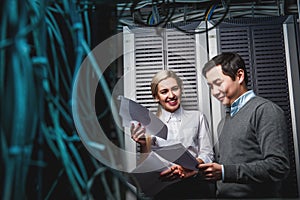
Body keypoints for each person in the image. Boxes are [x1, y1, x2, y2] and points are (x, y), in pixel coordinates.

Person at [199, 52, 290, 198]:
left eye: (218, 83)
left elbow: (278, 166)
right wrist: (198, 171)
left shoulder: (265, 110)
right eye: (211, 86)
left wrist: (224, 172)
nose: (214, 92)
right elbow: (229, 164)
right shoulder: (223, 122)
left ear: (239, 76)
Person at [130, 70, 215, 199]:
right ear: (156, 97)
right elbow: (145, 166)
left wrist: (188, 167)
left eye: (175, 89)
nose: (171, 95)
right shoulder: (148, 125)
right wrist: (143, 144)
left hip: (196, 187)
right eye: (164, 92)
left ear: (181, 90)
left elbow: (208, 153)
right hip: (164, 191)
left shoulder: (198, 117)